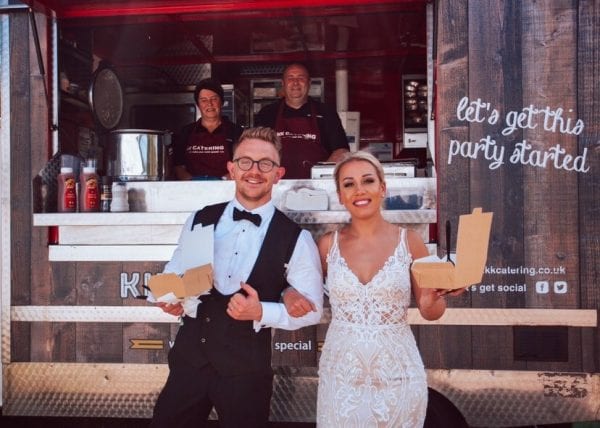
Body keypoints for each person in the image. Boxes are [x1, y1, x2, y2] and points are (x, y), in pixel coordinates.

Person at [150, 127, 323, 428]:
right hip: (191, 360)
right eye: (245, 162)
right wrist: (172, 298)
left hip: (246, 372)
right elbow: (175, 273)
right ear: (231, 169)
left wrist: (262, 311)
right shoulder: (201, 218)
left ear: (278, 173)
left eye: (265, 164)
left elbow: (313, 310)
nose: (254, 171)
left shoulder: (296, 238)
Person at [293, 151, 464, 427]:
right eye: (349, 184)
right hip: (341, 375)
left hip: (397, 374)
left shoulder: (410, 242)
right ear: (340, 195)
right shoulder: (326, 245)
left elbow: (431, 311)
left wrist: (438, 293)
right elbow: (302, 294)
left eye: (368, 181)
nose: (359, 190)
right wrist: (289, 295)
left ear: (382, 188)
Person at [254, 63, 350, 179]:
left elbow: (341, 151)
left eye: (301, 78)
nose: (295, 82)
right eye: (290, 78)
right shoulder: (267, 113)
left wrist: (319, 177)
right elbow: (255, 151)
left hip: (316, 188)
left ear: (309, 83)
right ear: (283, 84)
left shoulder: (326, 112)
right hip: (276, 187)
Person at [172, 78, 243, 180]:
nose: (209, 104)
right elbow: (178, 166)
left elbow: (241, 165)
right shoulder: (186, 132)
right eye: (203, 100)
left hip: (226, 191)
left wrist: (221, 182)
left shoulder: (236, 131)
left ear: (222, 102)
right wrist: (193, 184)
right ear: (198, 105)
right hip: (191, 192)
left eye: (214, 99)